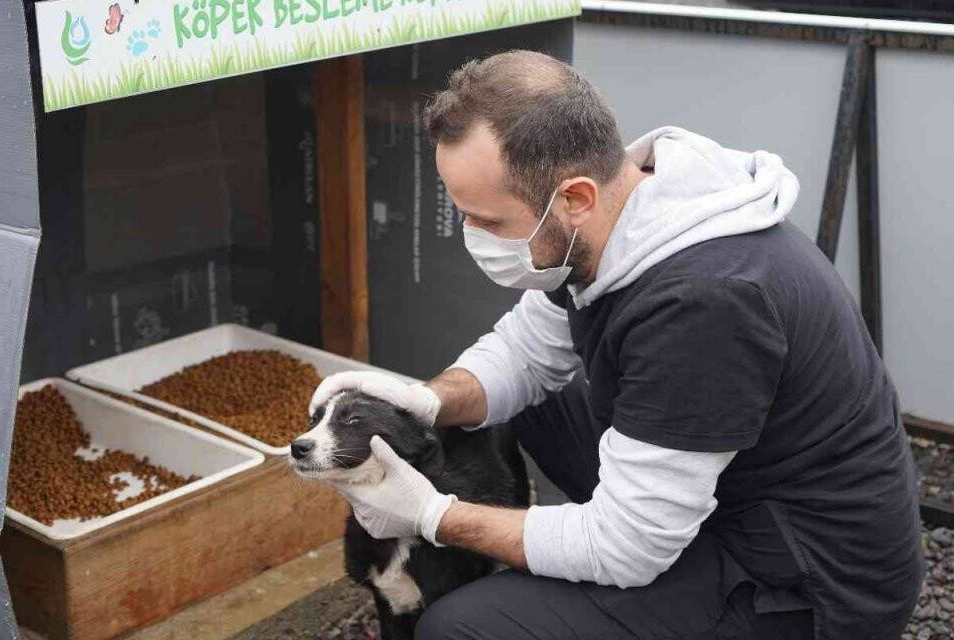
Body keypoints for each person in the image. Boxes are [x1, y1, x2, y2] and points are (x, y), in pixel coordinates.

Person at [309, 50, 923, 640]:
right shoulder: (614, 220)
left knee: (461, 627)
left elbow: (627, 548)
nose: (471, 235)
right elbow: (523, 355)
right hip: (724, 494)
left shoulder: (704, 304)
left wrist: (434, 517)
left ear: (574, 197)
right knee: (519, 397)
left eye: (490, 221)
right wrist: (424, 400)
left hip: (804, 582)